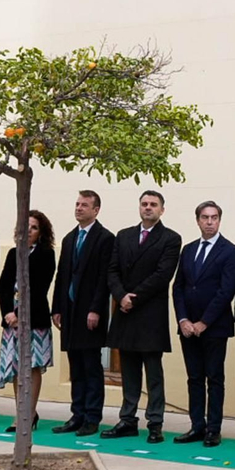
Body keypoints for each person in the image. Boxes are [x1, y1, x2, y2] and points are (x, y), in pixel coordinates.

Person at [103, 190, 181, 443]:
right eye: (144, 204)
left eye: (153, 204)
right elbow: (112, 270)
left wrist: (132, 298)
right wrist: (120, 296)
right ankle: (127, 419)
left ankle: (155, 422)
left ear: (162, 210)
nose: (148, 208)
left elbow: (162, 275)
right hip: (124, 310)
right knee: (128, 370)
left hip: (149, 313)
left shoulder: (170, 238)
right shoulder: (123, 236)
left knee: (153, 372)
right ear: (139, 207)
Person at [172, 200, 235, 446]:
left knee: (215, 378)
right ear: (197, 220)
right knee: (194, 378)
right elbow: (178, 287)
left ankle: (213, 429)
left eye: (214, 218)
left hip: (214, 328)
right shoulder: (188, 249)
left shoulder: (230, 250)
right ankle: (196, 426)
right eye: (205, 217)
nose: (209, 222)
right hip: (188, 329)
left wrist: (204, 322)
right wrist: (184, 320)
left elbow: (226, 291)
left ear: (219, 220)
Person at [51, 190, 113, 436]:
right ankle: (77, 415)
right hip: (70, 312)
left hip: (90, 312)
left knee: (90, 365)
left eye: (84, 205)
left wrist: (96, 309)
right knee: (75, 366)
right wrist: (56, 308)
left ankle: (92, 416)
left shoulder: (105, 238)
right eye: (77, 204)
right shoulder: (68, 239)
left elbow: (103, 278)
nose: (78, 208)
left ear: (96, 210)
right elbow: (62, 275)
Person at [0, 209, 57, 433]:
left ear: (41, 232)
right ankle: (20, 411)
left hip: (34, 320)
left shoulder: (46, 254)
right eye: (25, 226)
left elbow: (39, 288)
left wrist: (21, 313)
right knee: (15, 367)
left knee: (31, 367)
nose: (28, 231)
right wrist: (8, 313)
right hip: (11, 321)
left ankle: (30, 413)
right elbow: (2, 286)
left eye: (33, 227)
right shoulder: (13, 253)